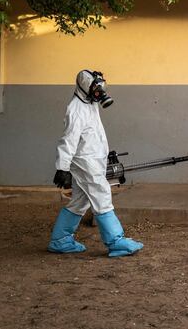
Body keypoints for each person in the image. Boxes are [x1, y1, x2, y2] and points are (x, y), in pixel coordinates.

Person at [47, 70, 143, 257]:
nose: (99, 92)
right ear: (85, 87)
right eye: (96, 88)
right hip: (85, 162)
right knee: (101, 194)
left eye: (101, 88)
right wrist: (62, 167)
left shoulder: (90, 104)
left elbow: (93, 135)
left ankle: (60, 240)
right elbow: (68, 140)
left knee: (79, 202)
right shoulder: (76, 109)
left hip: (92, 159)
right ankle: (116, 241)